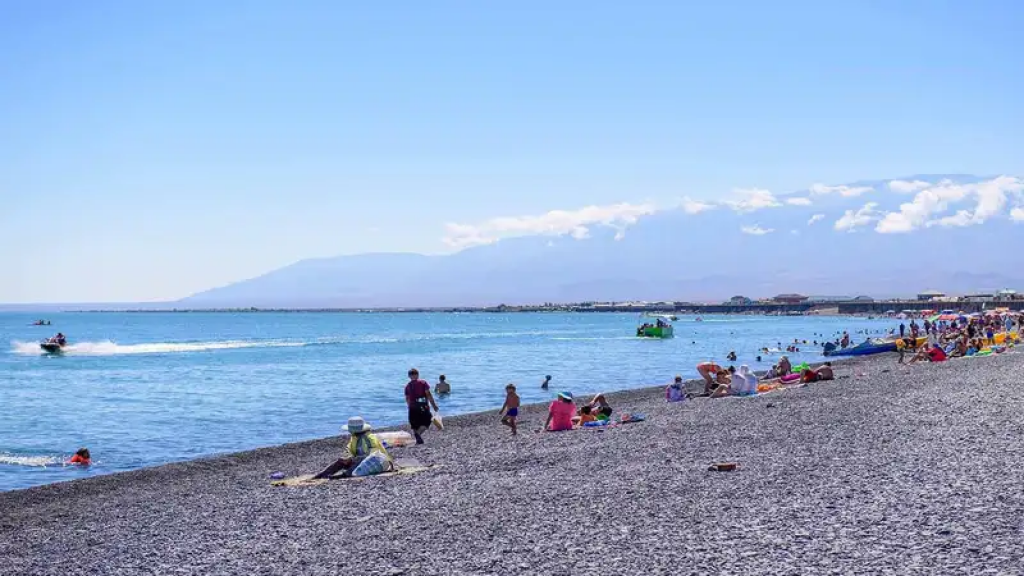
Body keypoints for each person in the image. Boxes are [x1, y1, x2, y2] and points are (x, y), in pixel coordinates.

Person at [312, 417, 391, 479]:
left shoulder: (368, 438)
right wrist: (346, 458)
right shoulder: (354, 438)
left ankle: (345, 474)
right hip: (361, 462)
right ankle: (323, 474)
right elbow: (349, 449)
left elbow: (373, 455)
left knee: (358, 460)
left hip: (378, 462)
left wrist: (352, 459)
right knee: (341, 461)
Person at [404, 368, 439, 444]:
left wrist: (409, 406)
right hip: (423, 406)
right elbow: (428, 394)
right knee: (427, 420)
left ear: (409, 376)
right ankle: (418, 434)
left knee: (414, 423)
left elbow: (407, 398)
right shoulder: (423, 383)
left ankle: (417, 436)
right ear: (417, 375)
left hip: (412, 407)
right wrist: (434, 405)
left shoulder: (407, 386)